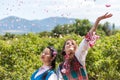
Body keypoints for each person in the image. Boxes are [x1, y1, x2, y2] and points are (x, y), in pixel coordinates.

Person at [57, 12, 113, 80]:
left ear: (75, 48)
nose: (70, 44)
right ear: (64, 49)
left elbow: (87, 39)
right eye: (67, 43)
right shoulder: (60, 67)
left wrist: (98, 20)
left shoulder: (78, 56)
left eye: (72, 43)